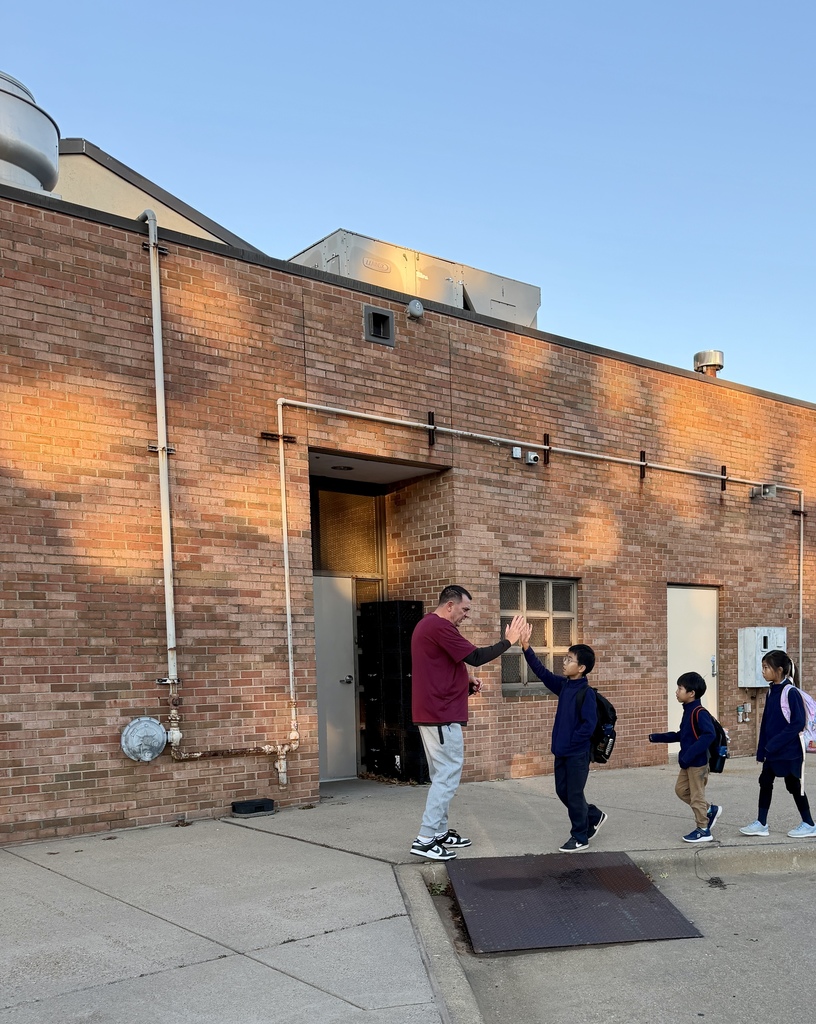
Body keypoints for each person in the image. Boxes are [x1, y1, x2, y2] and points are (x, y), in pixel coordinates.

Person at [410, 585, 524, 861]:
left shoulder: (429, 625)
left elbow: (448, 663)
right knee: (448, 775)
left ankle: (438, 832)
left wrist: (466, 680)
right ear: (449, 605)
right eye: (465, 609)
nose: (466, 615)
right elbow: (474, 656)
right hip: (440, 714)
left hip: (437, 711)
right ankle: (425, 838)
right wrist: (508, 641)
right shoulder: (439, 627)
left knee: (443, 775)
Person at [519, 625, 606, 852]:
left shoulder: (585, 694)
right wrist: (526, 647)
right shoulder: (565, 686)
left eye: (569, 660)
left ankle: (580, 836)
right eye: (565, 659)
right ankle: (594, 815)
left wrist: (571, 743)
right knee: (562, 791)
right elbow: (542, 672)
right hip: (561, 753)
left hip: (576, 754)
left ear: (582, 668)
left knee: (574, 794)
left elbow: (589, 726)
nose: (564, 663)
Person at [739, 649, 816, 838]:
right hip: (772, 750)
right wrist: (762, 749)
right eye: (762, 667)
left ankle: (809, 824)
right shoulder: (771, 692)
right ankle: (761, 822)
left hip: (789, 751)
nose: (763, 671)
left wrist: (775, 743)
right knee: (765, 782)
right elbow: (766, 723)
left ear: (779, 669)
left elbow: (797, 723)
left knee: (794, 786)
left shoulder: (790, 693)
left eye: (766, 668)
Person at [648, 672, 721, 844]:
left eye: (680, 688)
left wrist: (688, 756)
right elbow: (684, 735)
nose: (676, 691)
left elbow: (708, 735)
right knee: (681, 790)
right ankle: (709, 809)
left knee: (696, 796)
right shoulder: (688, 711)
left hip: (697, 763)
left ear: (691, 693)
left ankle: (703, 829)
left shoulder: (699, 712)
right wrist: (659, 737)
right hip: (688, 763)